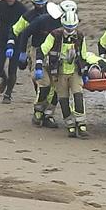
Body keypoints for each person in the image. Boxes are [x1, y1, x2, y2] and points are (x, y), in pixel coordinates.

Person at [38, 10, 90, 138]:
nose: (70, 30)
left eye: (72, 27)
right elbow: (42, 50)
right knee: (63, 99)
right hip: (59, 73)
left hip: (75, 71)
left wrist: (86, 72)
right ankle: (70, 125)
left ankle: (81, 124)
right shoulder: (54, 35)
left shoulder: (80, 36)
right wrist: (39, 65)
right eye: (67, 28)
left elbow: (83, 55)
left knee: (78, 96)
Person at [16, 1, 67, 125]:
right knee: (44, 84)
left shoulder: (68, 27)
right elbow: (25, 33)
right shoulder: (42, 21)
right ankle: (38, 112)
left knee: (57, 87)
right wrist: (22, 53)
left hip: (56, 55)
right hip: (38, 51)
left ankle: (49, 115)